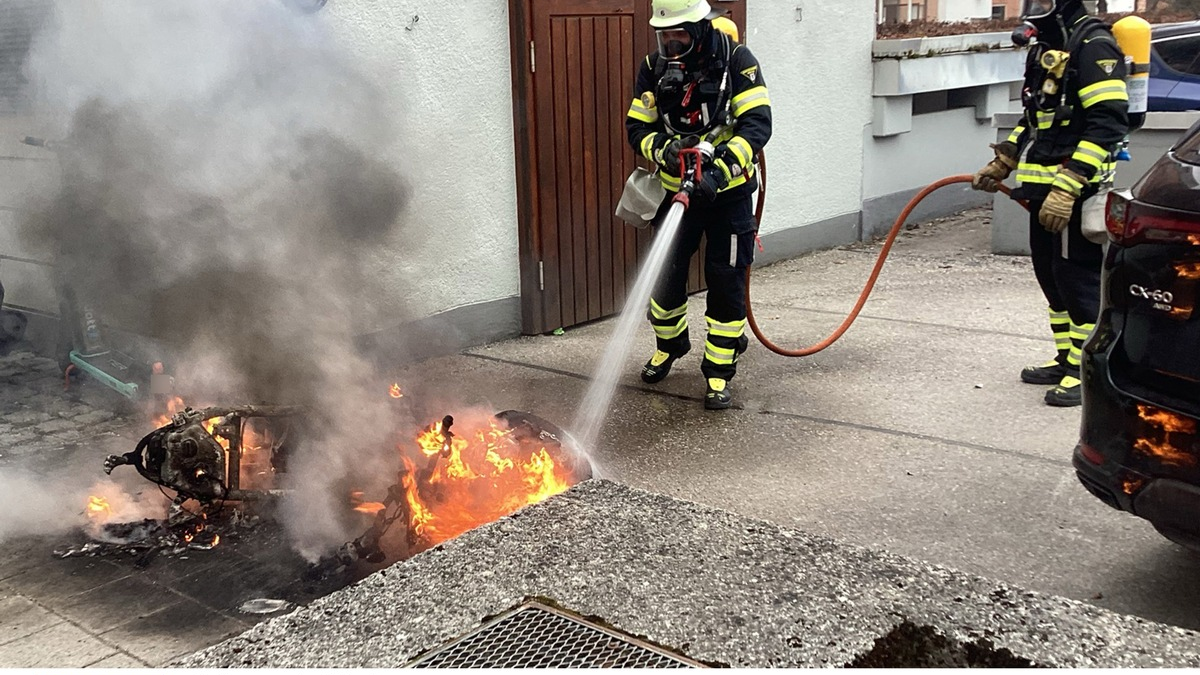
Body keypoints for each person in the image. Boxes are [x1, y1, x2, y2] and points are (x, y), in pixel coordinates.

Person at [972, 0, 1129, 407]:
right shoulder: (1045, 48)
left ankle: (1087, 369)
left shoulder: (1094, 46)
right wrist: (1005, 159)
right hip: (1041, 192)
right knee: (1050, 277)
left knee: (1077, 280)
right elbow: (1035, 115)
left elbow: (1110, 121)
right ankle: (1066, 358)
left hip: (1074, 194)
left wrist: (1070, 183)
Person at [625, 0, 771, 410]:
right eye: (664, 35)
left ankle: (719, 373)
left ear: (701, 28)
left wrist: (720, 172)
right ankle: (670, 346)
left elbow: (757, 124)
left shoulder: (737, 63)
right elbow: (637, 126)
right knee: (665, 278)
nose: (670, 44)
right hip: (677, 195)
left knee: (725, 280)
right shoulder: (653, 68)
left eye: (679, 35)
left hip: (728, 195)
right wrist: (664, 150)